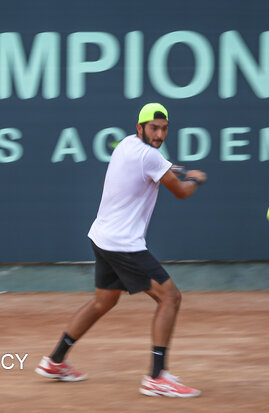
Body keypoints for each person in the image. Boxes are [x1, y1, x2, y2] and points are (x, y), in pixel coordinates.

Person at [35, 103, 207, 398]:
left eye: (164, 129)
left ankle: (54, 360)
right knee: (170, 297)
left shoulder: (127, 145)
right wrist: (194, 179)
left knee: (103, 301)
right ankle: (157, 377)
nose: (159, 134)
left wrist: (165, 167)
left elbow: (148, 167)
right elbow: (180, 191)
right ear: (140, 127)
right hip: (123, 244)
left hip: (102, 236)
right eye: (153, 128)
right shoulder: (151, 157)